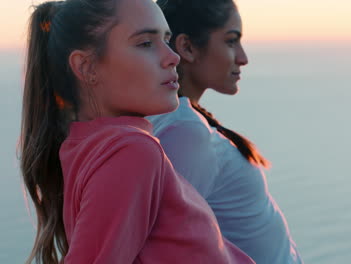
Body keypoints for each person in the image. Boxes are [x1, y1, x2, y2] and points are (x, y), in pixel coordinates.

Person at [19, 0, 255, 263]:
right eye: (145, 43)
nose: (172, 57)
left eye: (166, 40)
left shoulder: (85, 145)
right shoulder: (131, 151)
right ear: (87, 67)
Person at [147, 0, 303, 263]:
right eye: (231, 41)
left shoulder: (182, 120)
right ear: (187, 47)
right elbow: (165, 240)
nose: (243, 57)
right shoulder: (184, 130)